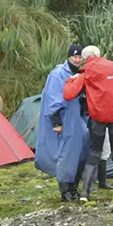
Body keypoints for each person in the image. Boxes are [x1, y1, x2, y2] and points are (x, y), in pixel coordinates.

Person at [64, 46, 113, 202]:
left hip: (97, 118)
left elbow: (68, 95)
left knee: (94, 154)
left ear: (85, 58)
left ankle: (85, 194)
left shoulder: (87, 71)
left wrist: (70, 80)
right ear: (99, 55)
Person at [34, 45, 90, 202]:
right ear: (69, 57)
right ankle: (65, 191)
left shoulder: (81, 73)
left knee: (82, 152)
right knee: (67, 154)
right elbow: (53, 98)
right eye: (74, 57)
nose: (77, 60)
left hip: (79, 118)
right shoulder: (58, 74)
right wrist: (56, 121)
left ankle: (74, 187)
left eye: (80, 57)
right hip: (66, 119)